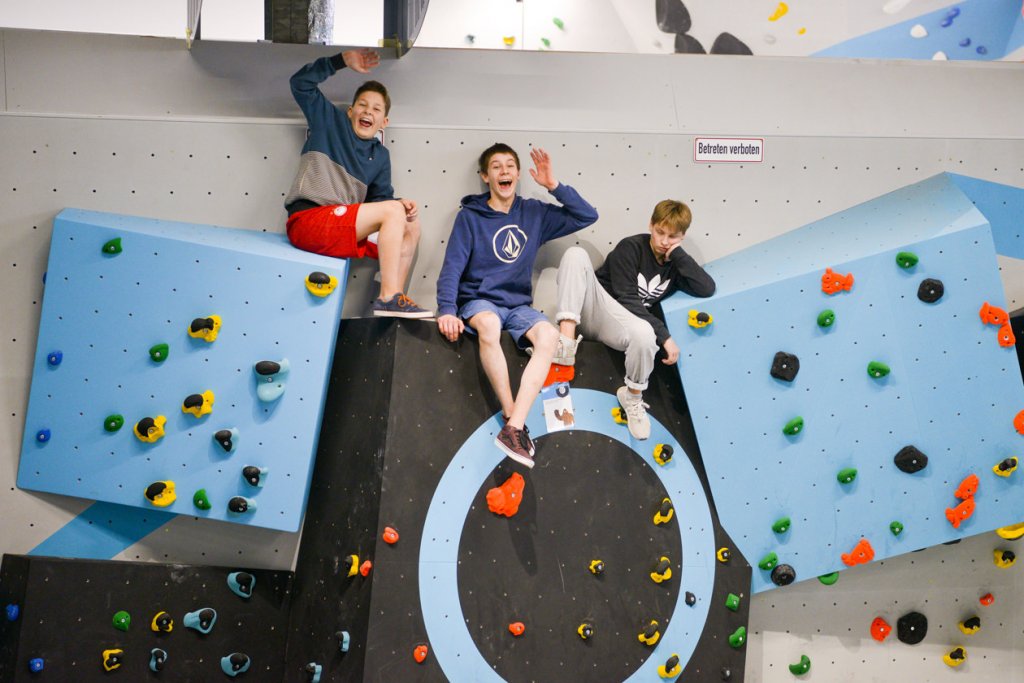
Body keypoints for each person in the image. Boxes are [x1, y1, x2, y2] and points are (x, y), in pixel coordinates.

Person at [436, 144, 598, 467]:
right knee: (489, 325)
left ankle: (512, 428)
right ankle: (513, 417)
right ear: (485, 176)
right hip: (480, 301)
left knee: (549, 337)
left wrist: (553, 185)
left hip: (518, 305)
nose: (504, 171)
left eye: (510, 165)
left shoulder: (533, 213)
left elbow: (587, 215)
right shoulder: (470, 217)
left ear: (519, 174)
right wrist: (447, 310)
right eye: (496, 167)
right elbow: (452, 267)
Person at [284, 48, 431, 318]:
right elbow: (299, 83)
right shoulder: (329, 122)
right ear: (351, 111)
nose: (368, 112)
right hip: (308, 222)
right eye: (362, 105)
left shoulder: (380, 155)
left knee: (411, 225)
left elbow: (380, 202)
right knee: (393, 211)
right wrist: (340, 61)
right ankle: (388, 297)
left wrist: (400, 205)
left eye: (376, 109)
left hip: (340, 227)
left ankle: (394, 298)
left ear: (384, 122)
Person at [553, 200, 715, 439]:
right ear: (651, 225)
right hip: (594, 308)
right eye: (660, 232)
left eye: (672, 236)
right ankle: (564, 347)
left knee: (645, 333)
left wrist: (679, 255)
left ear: (682, 236)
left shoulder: (675, 265)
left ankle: (632, 398)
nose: (664, 241)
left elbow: (706, 288)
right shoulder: (631, 247)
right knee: (576, 254)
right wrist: (665, 337)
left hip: (619, 328)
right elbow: (627, 298)